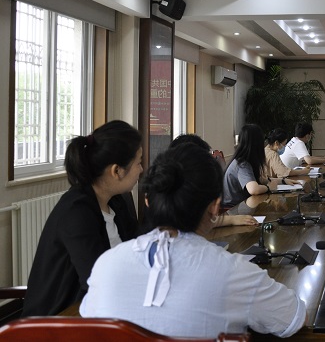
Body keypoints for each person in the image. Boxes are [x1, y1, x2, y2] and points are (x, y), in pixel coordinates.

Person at [80, 142, 306, 338]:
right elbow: (293, 318)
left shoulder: (106, 264)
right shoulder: (233, 272)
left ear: (148, 200)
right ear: (215, 207)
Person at [23, 120, 142, 316]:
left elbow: (136, 252)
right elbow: (95, 281)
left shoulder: (116, 201)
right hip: (59, 319)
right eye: (138, 162)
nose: (141, 169)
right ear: (117, 171)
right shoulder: (76, 213)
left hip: (100, 308)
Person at [170, 133, 257, 227]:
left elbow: (200, 219)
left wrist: (232, 219)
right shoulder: (175, 188)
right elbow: (192, 222)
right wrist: (232, 219)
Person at [223, 124, 282, 207]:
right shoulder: (242, 164)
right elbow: (253, 189)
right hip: (233, 209)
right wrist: (269, 187)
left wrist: (283, 181)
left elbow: (262, 180)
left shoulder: (244, 160)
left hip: (241, 206)